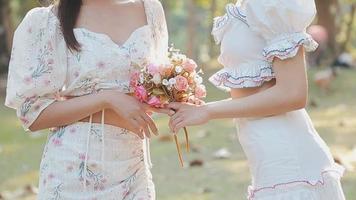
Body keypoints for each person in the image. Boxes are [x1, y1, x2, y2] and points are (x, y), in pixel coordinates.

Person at [168, 0, 346, 199]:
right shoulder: (246, 6)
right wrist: (199, 108)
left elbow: (292, 93)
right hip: (267, 162)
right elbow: (257, 95)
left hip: (289, 163)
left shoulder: (274, 6)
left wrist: (208, 112)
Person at [5, 0, 171, 199]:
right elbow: (33, 115)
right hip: (73, 171)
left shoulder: (150, 9)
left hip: (133, 167)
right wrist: (106, 99)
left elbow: (155, 83)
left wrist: (177, 96)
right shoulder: (47, 20)